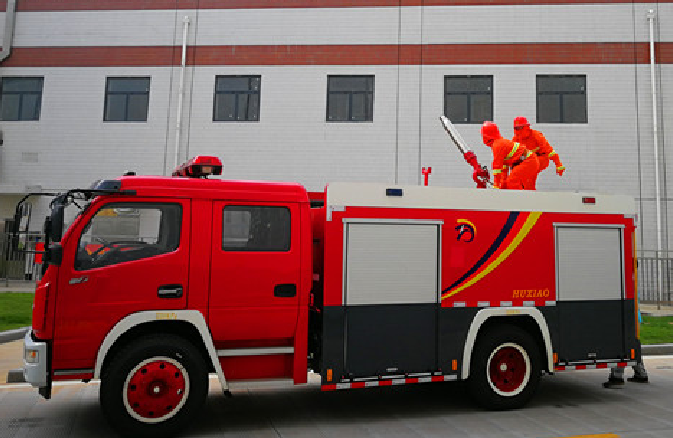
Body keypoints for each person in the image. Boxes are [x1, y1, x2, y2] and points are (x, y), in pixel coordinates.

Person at [480, 121, 539, 190]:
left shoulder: (497, 145)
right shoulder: (499, 143)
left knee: (512, 181)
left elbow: (497, 167)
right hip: (528, 161)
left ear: (486, 136)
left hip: (528, 161)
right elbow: (504, 166)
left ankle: (517, 197)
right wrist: (503, 184)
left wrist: (496, 185)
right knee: (512, 184)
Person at [512, 117, 565, 189]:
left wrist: (558, 164)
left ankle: (528, 188)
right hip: (528, 160)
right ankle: (527, 190)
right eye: (516, 128)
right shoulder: (516, 139)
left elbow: (549, 150)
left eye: (520, 128)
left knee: (529, 170)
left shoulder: (536, 135)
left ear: (526, 127)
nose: (518, 131)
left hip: (541, 158)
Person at [604, 308, 649, 388]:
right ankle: (641, 373)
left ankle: (617, 377)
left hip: (627, 317)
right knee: (633, 346)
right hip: (635, 317)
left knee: (622, 346)